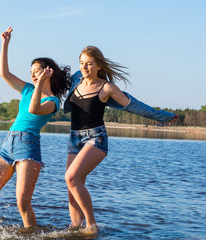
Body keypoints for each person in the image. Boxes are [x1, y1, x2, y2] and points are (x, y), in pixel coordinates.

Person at [63, 46, 178, 235]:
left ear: (99, 65)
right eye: (82, 63)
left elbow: (134, 106)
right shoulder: (76, 79)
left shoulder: (106, 87)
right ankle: (75, 228)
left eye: (89, 63)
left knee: (71, 177)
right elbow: (58, 77)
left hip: (96, 139)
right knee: (72, 186)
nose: (84, 67)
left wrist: (161, 116)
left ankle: (91, 226)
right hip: (74, 138)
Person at [0, 27, 70, 228]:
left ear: (48, 72)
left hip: (28, 147)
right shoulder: (29, 88)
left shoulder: (53, 101)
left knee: (22, 203)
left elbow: (34, 108)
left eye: (36, 71)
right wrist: (5, 43)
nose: (32, 76)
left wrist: (40, 84)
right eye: (31, 73)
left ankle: (32, 235)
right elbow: (4, 73)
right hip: (8, 144)